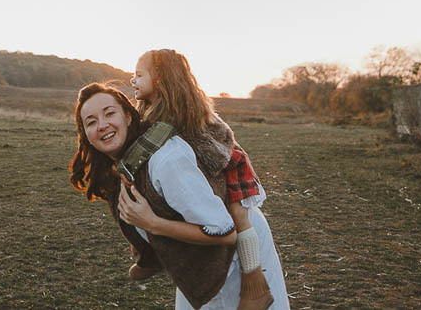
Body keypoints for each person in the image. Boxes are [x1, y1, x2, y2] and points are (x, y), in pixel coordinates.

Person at [70, 82, 289, 309]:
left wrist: (152, 223)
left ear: (127, 116)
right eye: (91, 122)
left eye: (109, 113)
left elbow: (225, 233)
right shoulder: (123, 167)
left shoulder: (165, 159)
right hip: (197, 266)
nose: (102, 125)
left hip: (236, 255)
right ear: (85, 134)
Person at [130, 49, 287, 310]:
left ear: (159, 79)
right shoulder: (150, 116)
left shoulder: (187, 115)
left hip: (230, 168)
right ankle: (150, 256)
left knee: (240, 220)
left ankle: (254, 280)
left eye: (138, 74)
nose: (132, 80)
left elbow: (221, 145)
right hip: (203, 218)